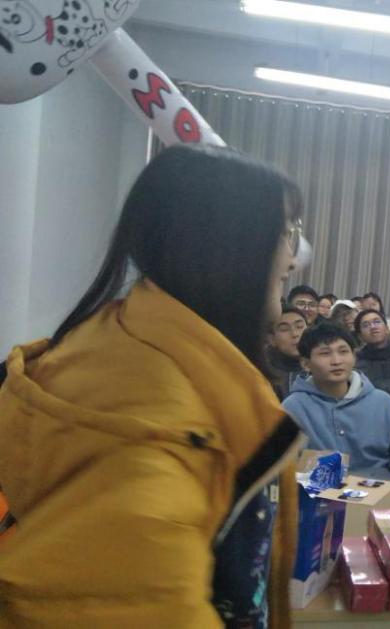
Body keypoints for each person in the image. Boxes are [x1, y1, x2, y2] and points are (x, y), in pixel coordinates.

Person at [0, 145, 306, 627]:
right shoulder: (156, 433)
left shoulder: (120, 344)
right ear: (230, 247)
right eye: (286, 234)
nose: (293, 260)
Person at [283, 322, 390, 479]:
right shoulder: (292, 410)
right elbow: (279, 473)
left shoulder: (385, 405)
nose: (336, 361)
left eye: (343, 351)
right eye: (325, 354)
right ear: (306, 364)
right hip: (315, 493)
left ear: (354, 356)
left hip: (382, 492)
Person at [268, 305, 308, 399]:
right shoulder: (265, 375)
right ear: (272, 339)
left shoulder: (323, 367)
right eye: (284, 329)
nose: (295, 334)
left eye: (300, 327)